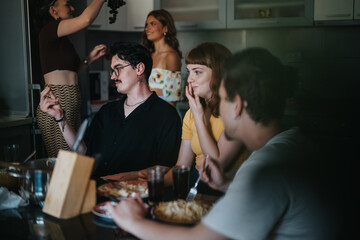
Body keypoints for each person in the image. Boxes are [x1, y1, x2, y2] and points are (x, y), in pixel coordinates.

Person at [106, 47, 340, 239]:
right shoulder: (293, 144)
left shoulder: (265, 170)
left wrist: (132, 221)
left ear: (236, 105)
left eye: (224, 98)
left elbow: (199, 239)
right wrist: (227, 184)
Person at [39, 42, 182, 179]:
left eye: (118, 69)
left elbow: (165, 170)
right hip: (98, 193)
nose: (113, 76)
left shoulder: (166, 116)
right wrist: (60, 117)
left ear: (139, 69)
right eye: (112, 71)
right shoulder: (107, 111)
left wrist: (114, 180)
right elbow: (83, 151)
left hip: (135, 197)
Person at [164, 42, 249, 194]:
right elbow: (181, 167)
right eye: (189, 72)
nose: (190, 79)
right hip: (197, 183)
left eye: (197, 72)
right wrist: (149, 183)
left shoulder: (236, 111)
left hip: (227, 189)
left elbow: (216, 165)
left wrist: (198, 116)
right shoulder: (191, 114)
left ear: (218, 72)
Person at [36, 0, 107, 157]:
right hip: (56, 104)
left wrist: (89, 59)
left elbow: (73, 72)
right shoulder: (48, 31)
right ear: (53, 10)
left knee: (77, 158)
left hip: (71, 104)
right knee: (64, 163)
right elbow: (86, 19)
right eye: (67, 4)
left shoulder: (62, 40)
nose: (73, 8)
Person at [142, 9, 182, 107]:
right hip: (148, 109)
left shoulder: (171, 56)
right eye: (147, 25)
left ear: (165, 28)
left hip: (164, 114)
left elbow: (173, 97)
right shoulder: (148, 55)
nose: (147, 28)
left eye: (153, 24)